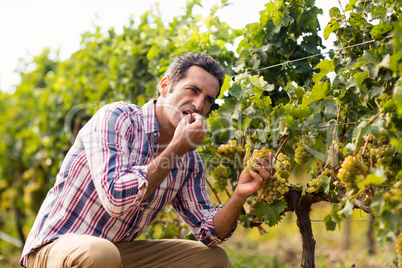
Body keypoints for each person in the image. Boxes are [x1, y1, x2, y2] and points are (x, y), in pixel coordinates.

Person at [20, 52, 272, 268]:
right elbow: (116, 200)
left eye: (208, 99)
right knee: (100, 253)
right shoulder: (117, 118)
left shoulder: (189, 159)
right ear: (164, 86)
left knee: (213, 259)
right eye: (192, 90)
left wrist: (239, 194)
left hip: (116, 252)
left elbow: (209, 233)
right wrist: (175, 150)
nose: (198, 104)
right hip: (55, 249)